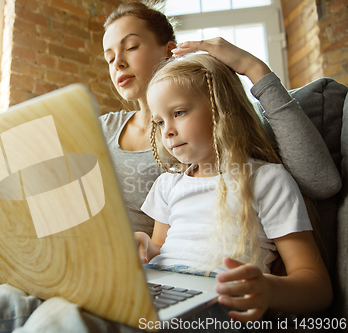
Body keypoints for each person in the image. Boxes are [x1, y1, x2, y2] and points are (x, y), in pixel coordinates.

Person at [0, 2, 340, 332]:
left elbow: (320, 181)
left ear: (171, 50)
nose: (118, 62)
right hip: (69, 268)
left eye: (130, 46)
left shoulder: (225, 140)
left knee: (33, 314)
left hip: (134, 286)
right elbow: (48, 209)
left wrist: (251, 69)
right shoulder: (102, 127)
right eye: (109, 56)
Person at [136, 53, 332, 323]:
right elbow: (159, 247)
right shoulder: (168, 184)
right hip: (161, 293)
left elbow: (317, 285)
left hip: (222, 304)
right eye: (159, 122)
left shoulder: (266, 180)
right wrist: (144, 247)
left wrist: (268, 289)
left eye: (178, 113)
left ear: (221, 109)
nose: (167, 131)